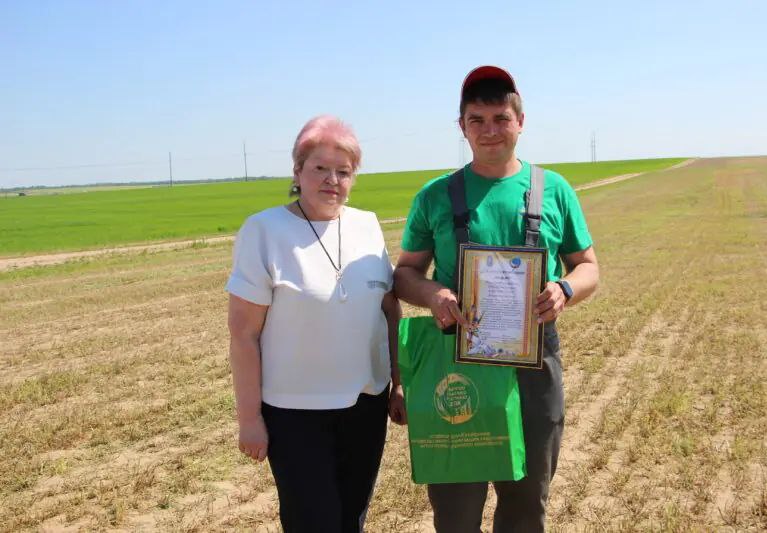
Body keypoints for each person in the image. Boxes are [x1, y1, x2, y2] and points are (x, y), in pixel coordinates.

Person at [394, 66, 600, 532]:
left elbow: (588, 267)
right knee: (456, 508)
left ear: (520, 122)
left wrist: (564, 289)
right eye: (477, 119)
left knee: (528, 503)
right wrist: (435, 294)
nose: (490, 130)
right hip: (456, 361)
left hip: (533, 361)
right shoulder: (435, 196)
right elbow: (404, 273)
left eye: (501, 118)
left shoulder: (554, 190)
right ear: (461, 127)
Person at [225, 115, 406, 533]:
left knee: (351, 518)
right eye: (320, 168)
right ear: (297, 171)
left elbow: (389, 310)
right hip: (294, 413)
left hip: (366, 403)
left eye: (344, 171)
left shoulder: (366, 225)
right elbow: (244, 334)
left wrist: (397, 381)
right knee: (313, 521)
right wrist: (249, 419)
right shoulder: (265, 231)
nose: (332, 180)